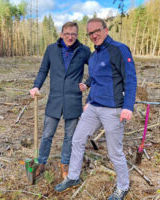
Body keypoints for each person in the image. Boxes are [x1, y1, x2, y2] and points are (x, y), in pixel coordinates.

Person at [54, 18, 137, 200]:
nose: (94, 36)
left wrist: (128, 106)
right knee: (77, 140)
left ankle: (122, 187)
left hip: (113, 109)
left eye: (97, 31)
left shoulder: (119, 49)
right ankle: (73, 177)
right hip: (93, 107)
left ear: (106, 30)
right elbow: (95, 78)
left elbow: (130, 78)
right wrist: (89, 100)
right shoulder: (94, 55)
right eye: (90, 33)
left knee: (114, 151)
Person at [29, 22, 91, 179]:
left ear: (77, 35)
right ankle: (41, 163)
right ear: (61, 34)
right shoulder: (51, 49)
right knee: (47, 134)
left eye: (73, 34)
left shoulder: (84, 50)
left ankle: (65, 164)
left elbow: (96, 69)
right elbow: (43, 69)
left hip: (73, 99)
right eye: (67, 34)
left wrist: (87, 83)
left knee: (70, 136)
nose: (70, 37)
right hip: (55, 99)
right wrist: (36, 86)